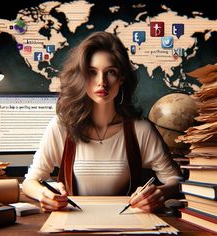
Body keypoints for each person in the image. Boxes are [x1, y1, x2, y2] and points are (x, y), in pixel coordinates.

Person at [22, 31, 182, 213]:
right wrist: (44, 194)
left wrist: (158, 193)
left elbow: (176, 181)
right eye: (92, 72)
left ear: (121, 78)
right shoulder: (61, 127)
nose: (102, 82)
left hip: (128, 224)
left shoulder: (140, 129)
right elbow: (30, 182)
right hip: (73, 222)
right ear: (82, 76)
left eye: (111, 72)